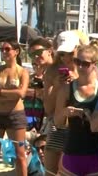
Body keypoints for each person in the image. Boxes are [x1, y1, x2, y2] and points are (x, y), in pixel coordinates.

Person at [54, 45, 98, 176]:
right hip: (72, 152)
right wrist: (65, 112)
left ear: (95, 64)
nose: (81, 67)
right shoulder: (66, 89)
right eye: (77, 62)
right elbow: (58, 122)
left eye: (85, 64)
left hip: (96, 154)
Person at [42, 31, 80, 176]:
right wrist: (57, 86)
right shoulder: (52, 71)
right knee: (50, 172)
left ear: (78, 48)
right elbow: (48, 107)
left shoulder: (86, 68)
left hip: (78, 128)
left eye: (70, 52)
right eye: (63, 53)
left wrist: (76, 79)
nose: (66, 58)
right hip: (57, 126)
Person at [0, 39, 29, 176]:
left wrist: (1, 92)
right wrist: (12, 93)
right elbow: (16, 93)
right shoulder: (0, 70)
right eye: (2, 49)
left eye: (7, 49)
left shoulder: (22, 72)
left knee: (20, 153)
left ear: (16, 51)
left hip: (15, 115)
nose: (4, 52)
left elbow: (21, 93)